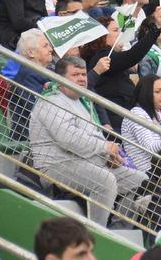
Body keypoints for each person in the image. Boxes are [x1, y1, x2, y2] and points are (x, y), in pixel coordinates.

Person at [28, 56, 147, 227]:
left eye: (84, 74)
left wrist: (108, 155)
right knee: (105, 180)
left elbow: (91, 138)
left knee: (139, 180)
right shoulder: (51, 100)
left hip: (86, 161)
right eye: (75, 75)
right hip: (55, 165)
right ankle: (97, 234)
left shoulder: (81, 101)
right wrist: (104, 146)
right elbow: (68, 139)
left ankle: (120, 231)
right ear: (61, 78)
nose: (82, 79)